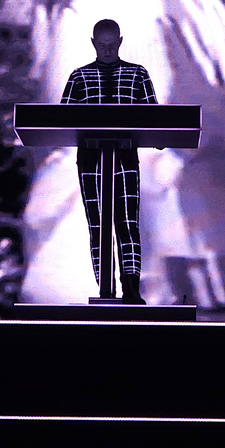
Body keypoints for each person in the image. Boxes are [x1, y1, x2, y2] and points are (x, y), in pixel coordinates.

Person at [61, 18, 158, 304]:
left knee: (127, 222)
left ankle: (131, 289)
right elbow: (61, 120)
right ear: (93, 43)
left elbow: (156, 119)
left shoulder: (137, 74)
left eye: (112, 45)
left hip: (125, 159)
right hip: (90, 160)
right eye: (102, 45)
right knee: (97, 225)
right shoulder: (79, 77)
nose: (107, 50)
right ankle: (106, 290)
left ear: (120, 42)